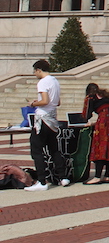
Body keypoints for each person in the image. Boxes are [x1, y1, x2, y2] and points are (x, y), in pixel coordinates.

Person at [24, 59, 69, 191]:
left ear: (39, 70)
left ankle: (42, 181)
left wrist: (33, 103)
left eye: (35, 71)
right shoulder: (55, 81)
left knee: (37, 150)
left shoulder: (43, 82)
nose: (34, 74)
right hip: (53, 119)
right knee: (54, 149)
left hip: (42, 118)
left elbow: (45, 101)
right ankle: (63, 177)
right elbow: (57, 102)